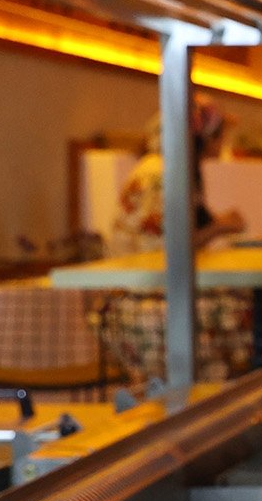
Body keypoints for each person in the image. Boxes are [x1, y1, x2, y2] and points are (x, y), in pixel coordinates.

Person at [107, 97, 251, 385]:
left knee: (244, 296)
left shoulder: (167, 168)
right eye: (219, 135)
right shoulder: (161, 175)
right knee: (244, 304)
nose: (222, 142)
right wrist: (220, 227)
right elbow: (169, 246)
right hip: (146, 298)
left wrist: (217, 223)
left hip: (151, 290)